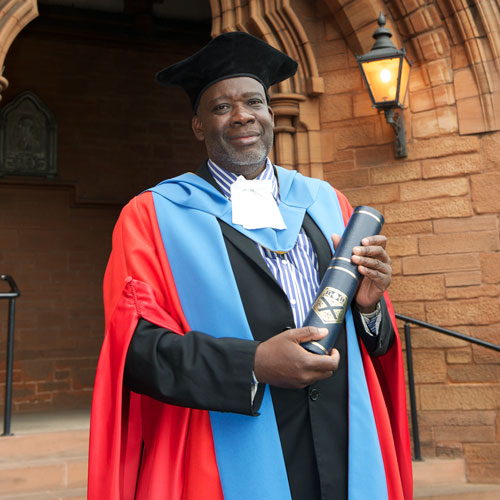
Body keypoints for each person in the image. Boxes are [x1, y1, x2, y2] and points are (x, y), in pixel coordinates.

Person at [88, 32, 412, 500]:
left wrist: (370, 306)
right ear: (198, 125)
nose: (242, 115)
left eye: (253, 102)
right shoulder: (153, 216)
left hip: (343, 431)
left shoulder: (327, 202)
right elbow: (138, 352)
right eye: (221, 107)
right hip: (226, 451)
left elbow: (373, 337)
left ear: (269, 113)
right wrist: (255, 364)